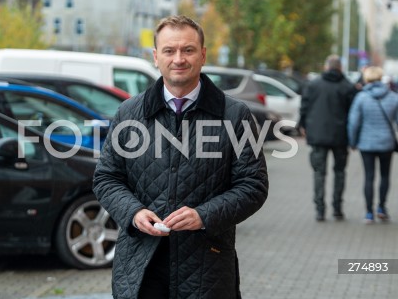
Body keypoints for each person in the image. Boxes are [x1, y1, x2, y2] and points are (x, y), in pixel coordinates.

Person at [93, 15, 268, 299]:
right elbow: (107, 178)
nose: (179, 59)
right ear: (155, 57)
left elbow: (253, 186)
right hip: (140, 266)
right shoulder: (129, 113)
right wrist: (133, 212)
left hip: (206, 266)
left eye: (187, 50)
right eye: (169, 51)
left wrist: (203, 215)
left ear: (202, 55)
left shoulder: (235, 115)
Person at [298, 54, 356, 222]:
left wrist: (303, 126)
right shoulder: (348, 86)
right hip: (340, 136)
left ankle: (320, 210)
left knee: (319, 173)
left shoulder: (313, 85)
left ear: (326, 67)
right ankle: (337, 208)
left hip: (318, 136)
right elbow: (353, 115)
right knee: (339, 172)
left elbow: (304, 107)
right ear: (340, 68)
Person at [348, 66, 398, 224]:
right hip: (386, 143)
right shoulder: (393, 97)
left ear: (367, 79)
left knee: (369, 177)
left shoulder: (361, 97)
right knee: (385, 176)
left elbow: (353, 123)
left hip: (366, 143)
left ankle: (369, 213)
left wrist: (353, 141)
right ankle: (382, 208)